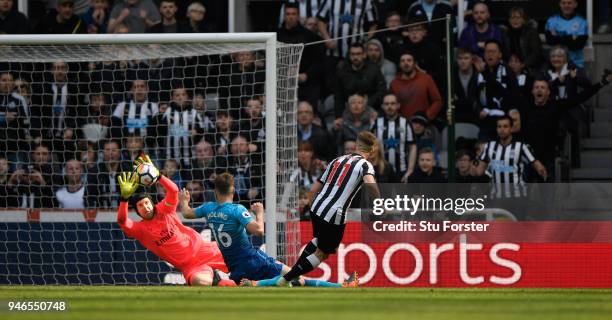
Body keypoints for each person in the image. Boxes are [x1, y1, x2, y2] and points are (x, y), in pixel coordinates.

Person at [179, 172, 355, 287]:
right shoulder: (237, 210)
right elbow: (259, 231)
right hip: (253, 259)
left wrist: (183, 200)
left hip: (234, 265)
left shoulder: (208, 208)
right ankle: (342, 286)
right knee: (295, 277)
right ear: (233, 189)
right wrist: (259, 213)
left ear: (216, 191)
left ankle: (241, 283)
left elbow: (186, 213)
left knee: (291, 278)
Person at [262, 131, 380, 286]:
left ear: (356, 145)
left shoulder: (337, 160)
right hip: (334, 213)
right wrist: (379, 203)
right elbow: (370, 183)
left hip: (317, 207)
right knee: (322, 253)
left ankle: (292, 275)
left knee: (318, 242)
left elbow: (314, 188)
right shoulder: (365, 165)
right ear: (373, 150)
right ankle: (284, 280)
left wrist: (312, 206)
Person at [116, 154, 235, 286]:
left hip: (204, 249)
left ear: (151, 203)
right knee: (200, 282)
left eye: (146, 203)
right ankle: (218, 280)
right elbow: (122, 221)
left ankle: (232, 279)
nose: (145, 207)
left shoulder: (164, 210)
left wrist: (159, 176)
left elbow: (173, 191)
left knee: (245, 264)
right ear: (137, 212)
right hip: (190, 266)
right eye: (140, 206)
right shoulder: (140, 230)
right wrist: (124, 199)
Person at [519, 71, 612, 181]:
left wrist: (602, 83)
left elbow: (580, 97)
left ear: (548, 92)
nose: (539, 89)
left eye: (543, 87)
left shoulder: (555, 106)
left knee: (548, 194)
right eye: (537, 87)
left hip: (549, 157)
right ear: (532, 91)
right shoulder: (526, 107)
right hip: (530, 156)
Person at [471, 115, 547, 186]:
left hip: (517, 194)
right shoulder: (489, 146)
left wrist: (541, 169)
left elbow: (535, 163)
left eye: (505, 126)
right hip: (496, 196)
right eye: (499, 127)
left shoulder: (521, 146)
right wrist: (473, 171)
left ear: (511, 128)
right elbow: (479, 171)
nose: (502, 129)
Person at [277, 3, 326, 107]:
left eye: (294, 14)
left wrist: (307, 74)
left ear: (298, 16)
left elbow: (320, 61)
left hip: (305, 83)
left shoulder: (310, 36)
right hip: (281, 82)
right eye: (288, 14)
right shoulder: (276, 35)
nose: (290, 17)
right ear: (284, 16)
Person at [333, 43, 386, 126]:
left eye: (358, 54)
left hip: (371, 108)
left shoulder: (374, 70)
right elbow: (338, 96)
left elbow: (382, 91)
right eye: (352, 54)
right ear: (349, 56)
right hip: (349, 111)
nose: (355, 57)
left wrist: (367, 104)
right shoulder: (342, 72)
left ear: (364, 55)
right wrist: (339, 116)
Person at [373, 93, 416, 182]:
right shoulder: (376, 123)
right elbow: (370, 147)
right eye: (387, 104)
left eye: (392, 103)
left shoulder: (406, 123)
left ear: (398, 105)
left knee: (400, 196)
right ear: (382, 106)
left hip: (402, 170)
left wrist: (410, 170)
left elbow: (413, 147)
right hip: (381, 170)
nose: (390, 106)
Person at [390, 51, 443, 120]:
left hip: (423, 124)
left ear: (415, 64)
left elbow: (437, 101)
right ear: (399, 64)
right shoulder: (394, 83)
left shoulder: (426, 79)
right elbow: (392, 105)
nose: (406, 63)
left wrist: (426, 117)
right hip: (403, 125)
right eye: (403, 61)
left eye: (409, 60)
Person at [545, 0, 588, 68]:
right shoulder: (552, 20)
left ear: (575, 4)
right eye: (563, 3)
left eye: (569, 3)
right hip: (556, 65)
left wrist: (558, 37)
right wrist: (570, 38)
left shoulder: (582, 21)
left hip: (576, 65)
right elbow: (550, 41)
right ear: (560, 4)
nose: (566, 6)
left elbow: (577, 45)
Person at [501, 7, 542, 72]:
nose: (515, 20)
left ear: (523, 19)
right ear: (509, 20)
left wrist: (522, 65)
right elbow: (503, 53)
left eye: (518, 17)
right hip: (510, 67)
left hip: (529, 68)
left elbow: (536, 53)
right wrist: (509, 65)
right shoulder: (505, 34)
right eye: (512, 18)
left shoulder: (531, 32)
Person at [453, 47, 479, 123]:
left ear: (472, 60)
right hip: (458, 115)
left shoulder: (478, 74)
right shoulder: (452, 75)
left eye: (466, 58)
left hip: (476, 116)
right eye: (460, 58)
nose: (463, 61)